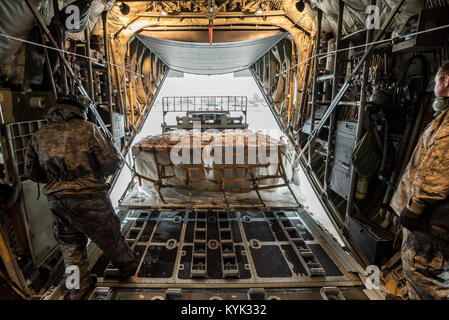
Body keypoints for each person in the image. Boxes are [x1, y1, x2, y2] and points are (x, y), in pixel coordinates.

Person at [25, 95, 138, 300]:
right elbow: (111, 163)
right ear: (78, 111)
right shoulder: (88, 129)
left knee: (70, 246)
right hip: (89, 197)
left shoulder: (39, 135)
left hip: (58, 201)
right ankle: (128, 268)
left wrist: (58, 180)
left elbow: (32, 172)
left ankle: (77, 288)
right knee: (109, 236)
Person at [391, 63, 449, 300]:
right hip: (437, 221)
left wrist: (414, 207)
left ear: (446, 81)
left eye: (436, 79)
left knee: (424, 277)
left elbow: (437, 171)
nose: (433, 85)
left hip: (431, 222)